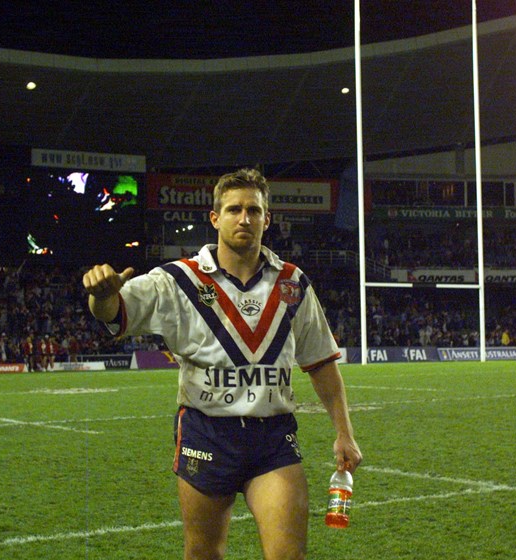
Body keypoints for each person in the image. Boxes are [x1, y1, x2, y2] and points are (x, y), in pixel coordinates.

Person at [83, 168, 362, 560]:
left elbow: (320, 364)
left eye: (253, 210)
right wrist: (100, 295)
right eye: (233, 209)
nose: (244, 218)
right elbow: (115, 312)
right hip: (206, 433)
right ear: (215, 218)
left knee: (288, 556)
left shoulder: (293, 283)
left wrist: (344, 433)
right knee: (203, 554)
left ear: (267, 218)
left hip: (272, 438)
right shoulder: (177, 280)